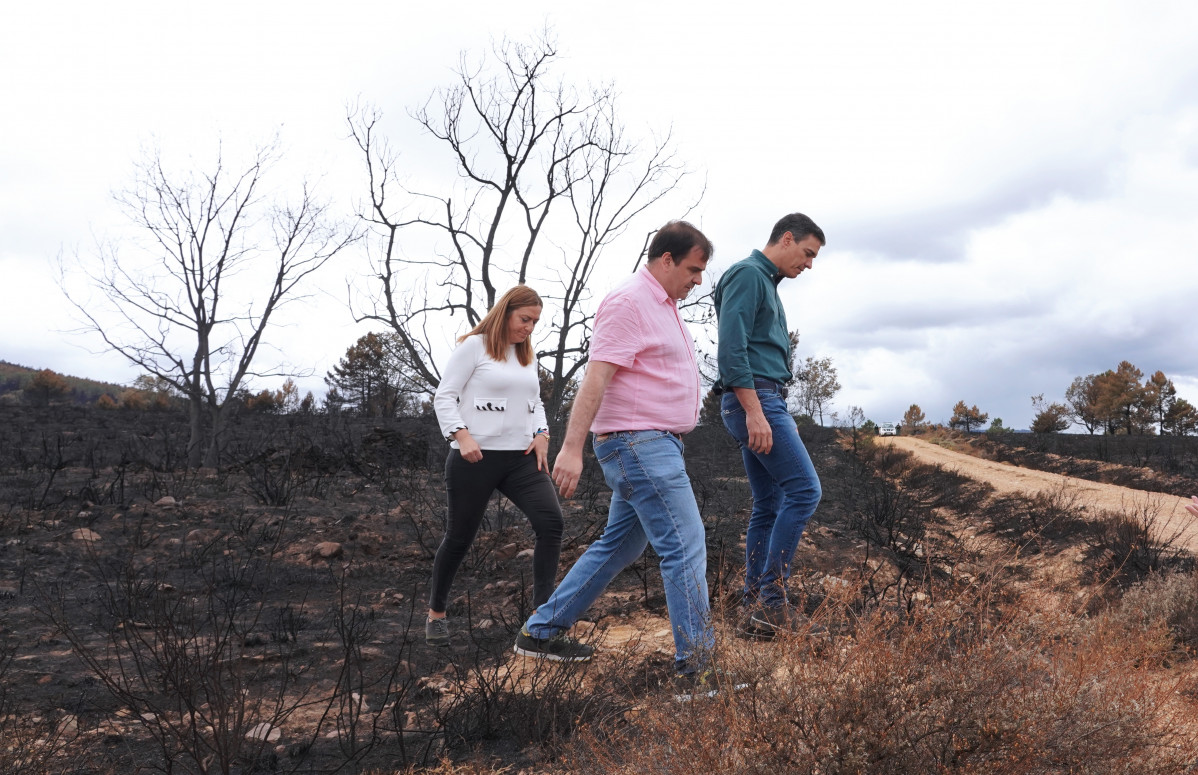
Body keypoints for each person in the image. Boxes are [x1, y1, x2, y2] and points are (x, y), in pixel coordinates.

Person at [513, 220, 715, 677]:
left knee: (620, 545)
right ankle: (699, 671)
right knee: (685, 546)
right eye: (694, 268)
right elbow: (596, 379)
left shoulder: (664, 304)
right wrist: (570, 447)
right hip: (640, 444)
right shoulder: (630, 301)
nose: (698, 280)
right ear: (666, 259)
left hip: (652, 445)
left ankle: (541, 632)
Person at [427, 285, 563, 646]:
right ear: (505, 312)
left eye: (535, 321)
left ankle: (541, 618)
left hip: (520, 458)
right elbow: (444, 395)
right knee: (459, 538)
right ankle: (436, 614)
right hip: (476, 458)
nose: (530, 328)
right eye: (525, 319)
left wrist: (542, 435)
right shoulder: (474, 346)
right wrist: (461, 435)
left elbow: (535, 402)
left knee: (551, 524)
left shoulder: (525, 355)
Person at [713, 212, 826, 639]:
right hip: (754, 400)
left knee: (770, 504)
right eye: (807, 253)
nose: (809, 265)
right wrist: (756, 411)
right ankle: (772, 603)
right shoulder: (747, 275)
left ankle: (753, 607)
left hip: (764, 397)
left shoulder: (768, 284)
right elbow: (731, 349)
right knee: (805, 491)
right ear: (786, 238)